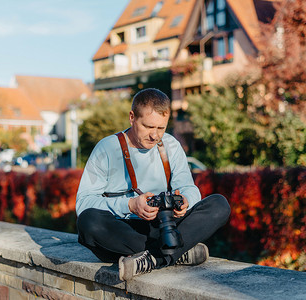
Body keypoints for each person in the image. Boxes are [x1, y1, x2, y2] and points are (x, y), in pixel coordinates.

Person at [76, 88, 230, 281]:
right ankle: (176, 253)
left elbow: (189, 187)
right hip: (124, 232)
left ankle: (152, 259)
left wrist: (185, 200)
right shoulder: (106, 148)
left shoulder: (171, 145)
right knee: (88, 221)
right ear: (132, 117)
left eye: (161, 128)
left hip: (164, 226)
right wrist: (130, 205)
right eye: (148, 126)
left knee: (219, 204)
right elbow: (83, 204)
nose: (154, 136)